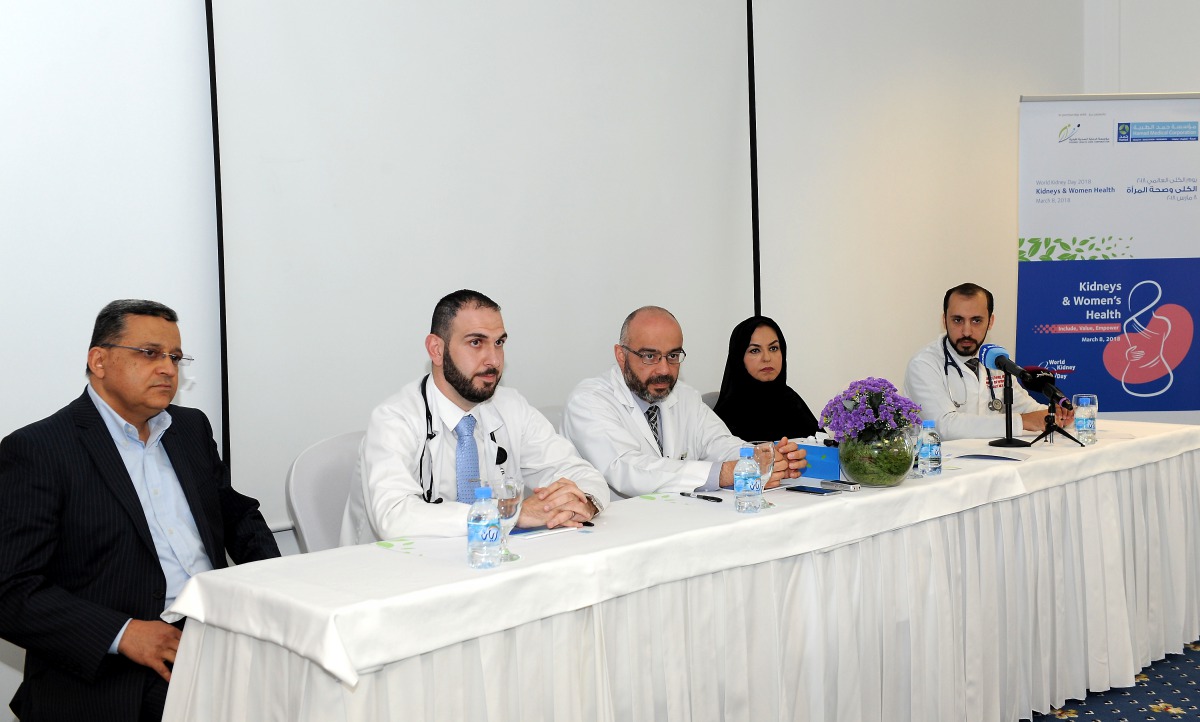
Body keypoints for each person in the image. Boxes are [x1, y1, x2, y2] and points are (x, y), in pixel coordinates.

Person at [0, 300, 280, 722]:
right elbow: (11, 591)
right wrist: (123, 633)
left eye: (175, 357)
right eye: (149, 353)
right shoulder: (38, 450)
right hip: (114, 663)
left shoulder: (189, 428)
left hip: (215, 630)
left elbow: (236, 514)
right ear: (99, 360)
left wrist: (280, 583)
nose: (169, 368)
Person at [340, 289, 608, 543]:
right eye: (476, 342)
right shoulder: (394, 419)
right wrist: (508, 515)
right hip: (395, 576)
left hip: (489, 565)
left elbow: (581, 473)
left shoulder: (512, 406)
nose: (493, 359)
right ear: (436, 349)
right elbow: (394, 517)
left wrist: (580, 501)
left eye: (499, 343)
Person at [561, 306, 806, 499]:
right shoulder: (589, 401)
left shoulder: (685, 396)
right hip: (613, 533)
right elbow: (626, 468)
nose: (664, 369)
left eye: (673, 355)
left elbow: (718, 442)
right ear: (621, 355)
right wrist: (725, 473)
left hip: (678, 522)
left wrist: (763, 456)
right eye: (650, 356)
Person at [904, 282, 1073, 441]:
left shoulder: (997, 361)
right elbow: (944, 427)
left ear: (990, 321)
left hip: (990, 462)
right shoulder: (924, 364)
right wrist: (1023, 422)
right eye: (957, 320)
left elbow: (1026, 408)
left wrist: (1054, 414)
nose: (966, 331)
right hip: (941, 465)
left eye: (976, 320)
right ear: (944, 320)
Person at [713, 316, 820, 441]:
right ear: (739, 358)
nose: (767, 358)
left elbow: (825, 447)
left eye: (773, 348)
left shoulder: (789, 399)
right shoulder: (727, 414)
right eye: (755, 350)